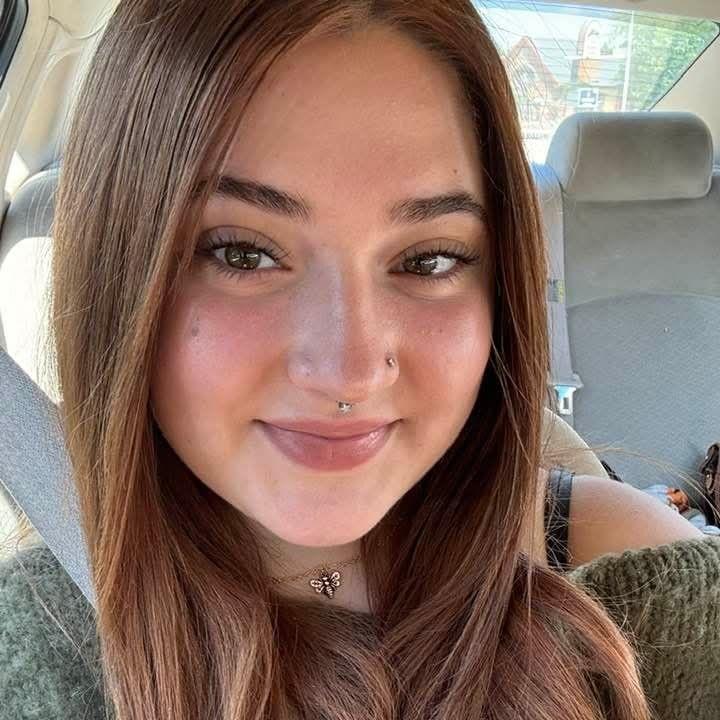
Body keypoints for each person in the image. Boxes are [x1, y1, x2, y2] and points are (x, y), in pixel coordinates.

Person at [1, 1, 719, 719]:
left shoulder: (628, 571)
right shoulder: (34, 646)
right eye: (241, 254)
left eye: (429, 259)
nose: (349, 372)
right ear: (120, 279)